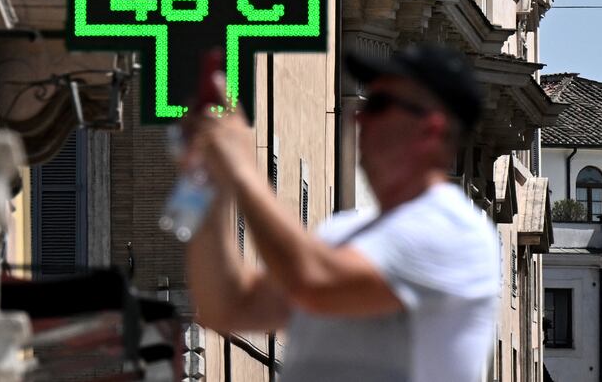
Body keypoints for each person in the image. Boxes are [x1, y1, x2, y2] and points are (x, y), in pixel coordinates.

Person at [184, 44, 500, 382]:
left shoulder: (453, 230)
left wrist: (243, 167)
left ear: (431, 130)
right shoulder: (342, 231)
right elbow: (228, 307)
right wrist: (207, 179)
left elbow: (312, 281)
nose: (357, 117)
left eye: (378, 105)